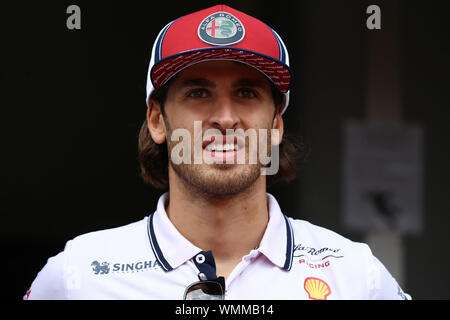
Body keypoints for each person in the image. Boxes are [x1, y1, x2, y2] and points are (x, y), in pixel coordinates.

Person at [25, 4, 410, 300]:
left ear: (276, 125)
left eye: (246, 93)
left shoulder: (354, 276)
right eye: (198, 92)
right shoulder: (81, 276)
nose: (226, 119)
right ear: (157, 120)